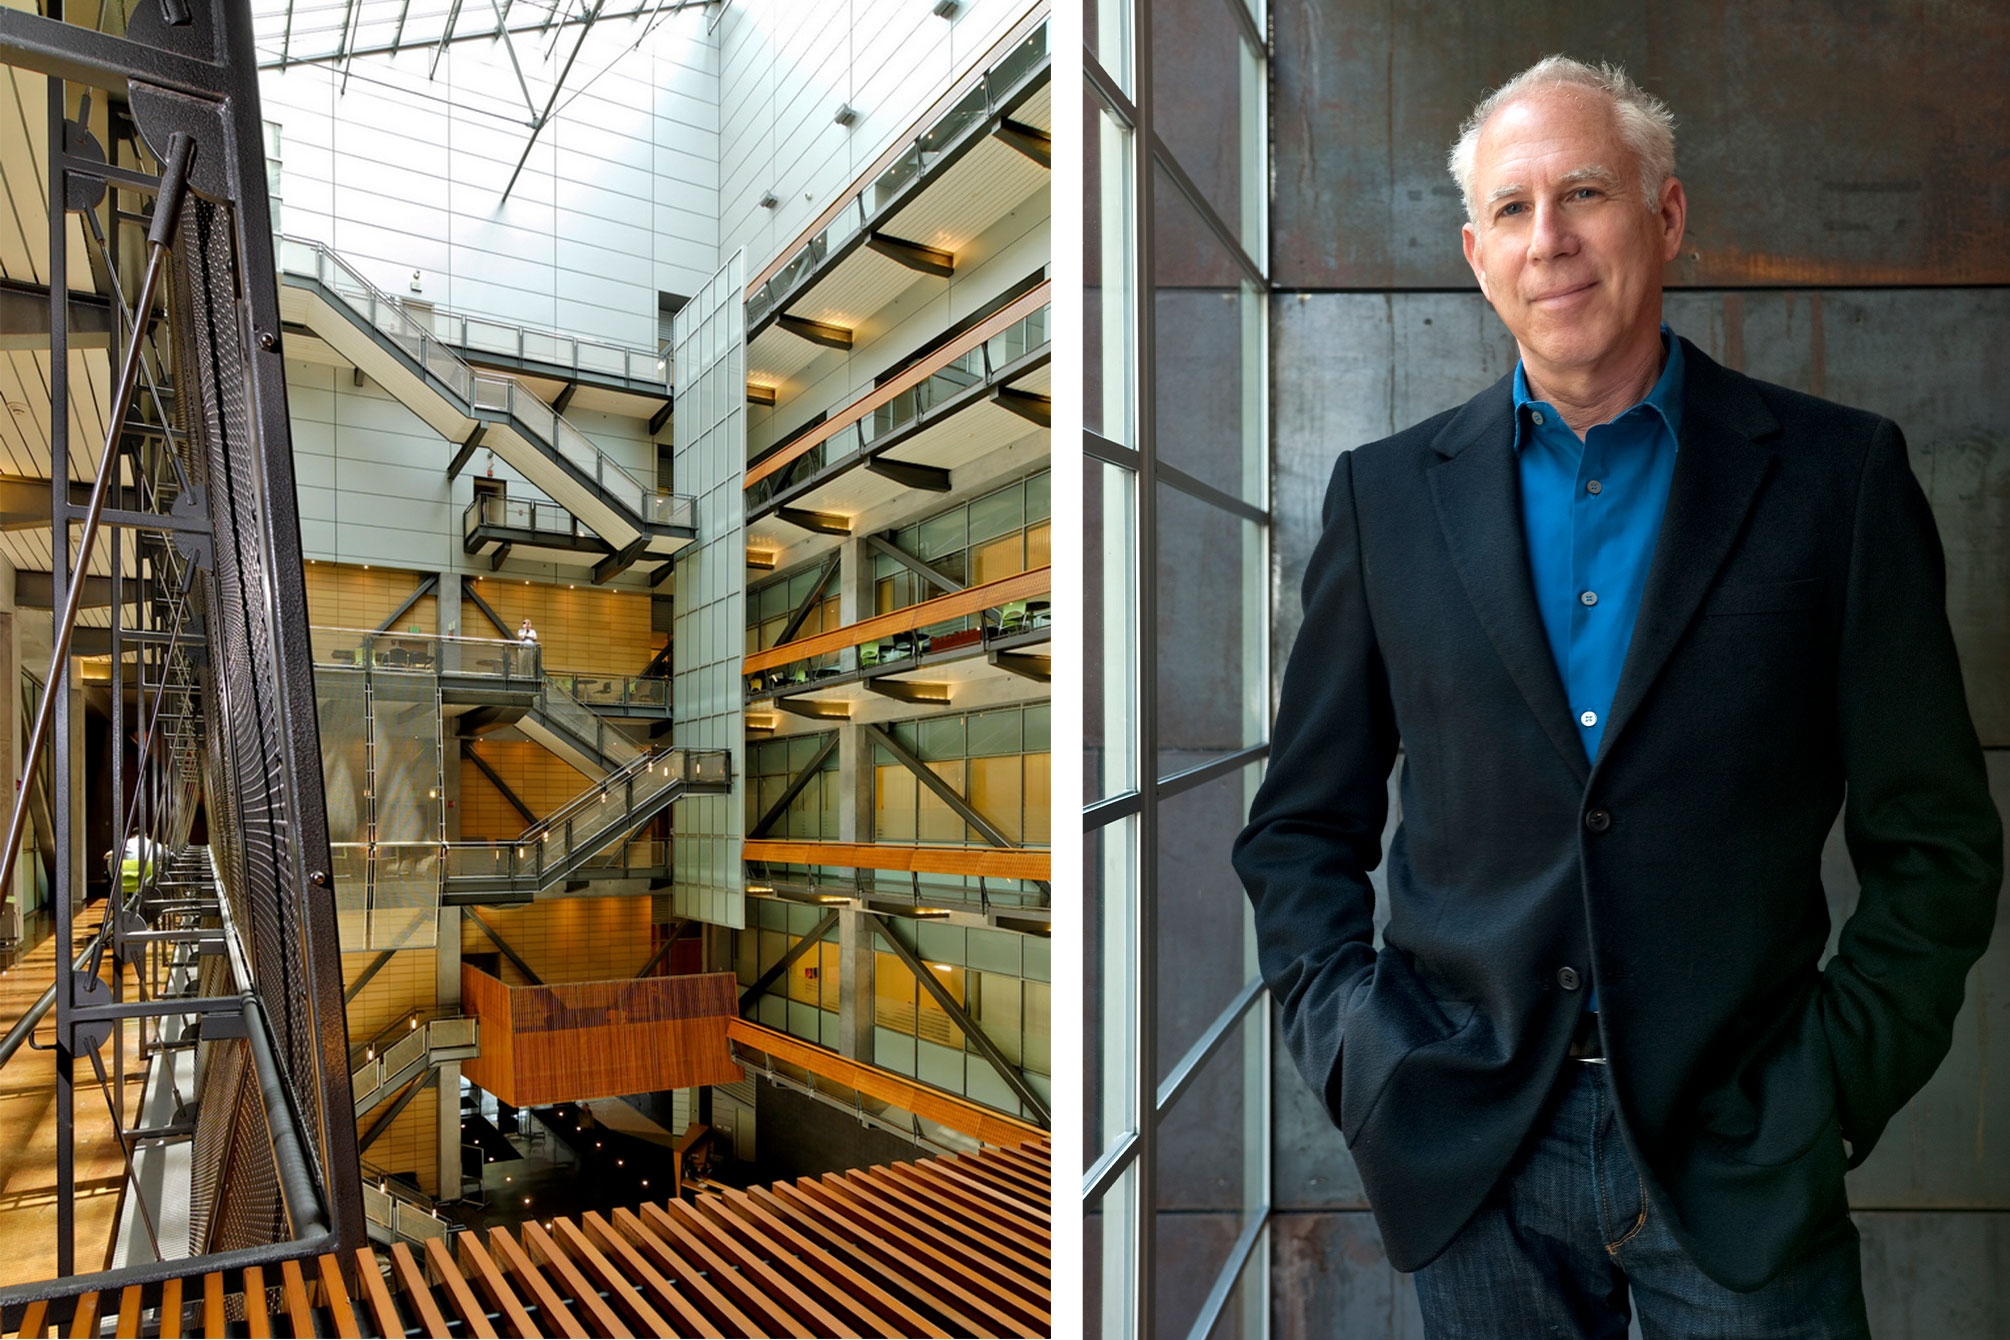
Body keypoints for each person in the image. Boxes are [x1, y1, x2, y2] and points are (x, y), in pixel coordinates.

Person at [1233, 55, 2001, 1337]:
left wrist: (1826, 1091)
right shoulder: (1384, 501)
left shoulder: (1837, 478)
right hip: (1474, 1147)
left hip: (1743, 1150)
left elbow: (1939, 844)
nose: (1554, 240)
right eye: (1517, 209)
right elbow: (1298, 830)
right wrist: (1372, 1063)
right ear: (1477, 253)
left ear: (1667, 215)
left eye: (1585, 191)